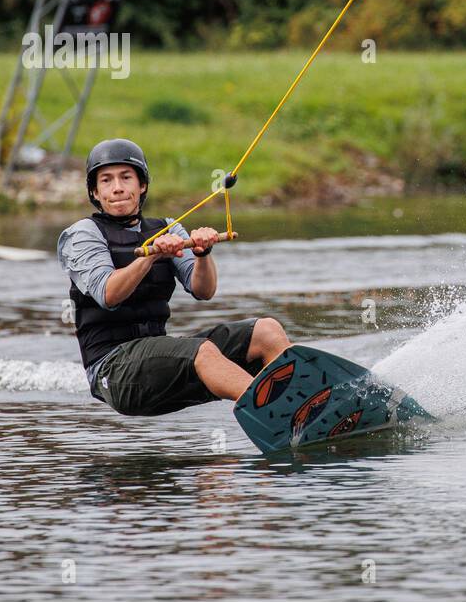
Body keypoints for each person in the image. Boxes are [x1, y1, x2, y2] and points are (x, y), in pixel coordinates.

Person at [57, 137, 293, 416]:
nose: (117, 188)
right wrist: (152, 255)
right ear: (95, 192)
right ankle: (278, 414)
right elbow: (109, 294)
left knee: (266, 331)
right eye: (106, 181)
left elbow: (203, 290)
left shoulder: (168, 227)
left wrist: (204, 253)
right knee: (202, 352)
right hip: (114, 371)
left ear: (142, 185)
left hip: (160, 362)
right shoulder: (81, 235)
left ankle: (308, 399)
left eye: (126, 178)